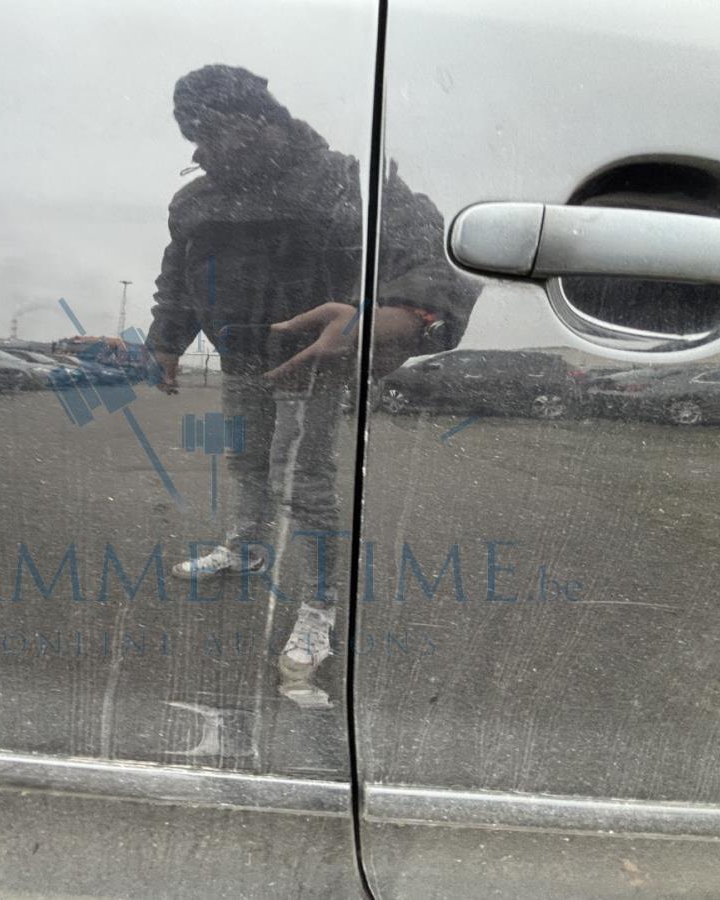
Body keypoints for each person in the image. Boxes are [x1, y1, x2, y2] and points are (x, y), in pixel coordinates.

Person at [148, 64, 481, 692]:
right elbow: (179, 273)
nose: (198, 149)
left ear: (259, 121)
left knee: (302, 482)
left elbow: (431, 253)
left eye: (211, 130)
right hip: (241, 356)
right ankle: (246, 547)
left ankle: (319, 606)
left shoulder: (343, 180)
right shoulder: (196, 200)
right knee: (247, 461)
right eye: (192, 134)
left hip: (313, 362)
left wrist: (397, 316)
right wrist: (167, 340)